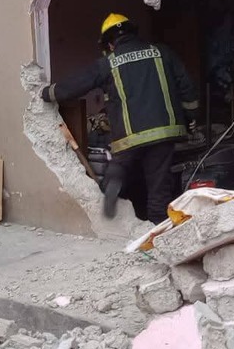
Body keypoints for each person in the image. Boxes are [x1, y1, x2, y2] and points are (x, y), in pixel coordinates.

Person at [40, 13, 199, 224]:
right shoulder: (162, 53)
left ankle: (113, 181)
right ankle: (157, 233)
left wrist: (48, 94)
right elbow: (186, 87)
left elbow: (76, 85)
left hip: (128, 137)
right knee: (159, 188)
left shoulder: (108, 63)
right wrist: (191, 118)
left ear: (110, 43)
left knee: (121, 164)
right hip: (164, 132)